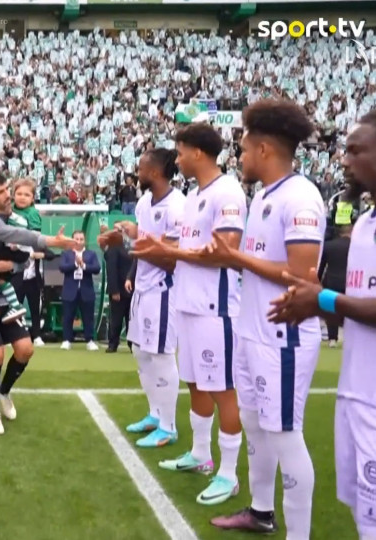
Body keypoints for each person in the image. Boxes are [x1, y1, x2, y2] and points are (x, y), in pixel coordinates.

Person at [268, 103, 376, 540]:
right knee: (367, 524)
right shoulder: (369, 221)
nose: (345, 162)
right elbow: (363, 304)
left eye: (355, 151)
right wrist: (319, 305)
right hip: (357, 398)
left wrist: (328, 299)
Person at [196, 100, 324, 537]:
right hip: (253, 331)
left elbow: (302, 275)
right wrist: (232, 259)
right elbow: (258, 262)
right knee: (255, 424)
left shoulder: (301, 196)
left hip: (282, 337)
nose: (241, 157)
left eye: (245, 149)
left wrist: (237, 258)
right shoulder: (265, 196)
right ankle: (261, 511)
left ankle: (299, 533)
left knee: (285, 433)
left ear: (265, 149)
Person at [131, 123, 246, 506]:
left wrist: (169, 253)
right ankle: (200, 453)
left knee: (222, 390)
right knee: (196, 383)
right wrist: (147, 241)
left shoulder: (227, 191)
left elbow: (225, 251)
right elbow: (185, 244)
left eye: (180, 152)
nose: (176, 159)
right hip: (188, 303)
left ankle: (228, 475)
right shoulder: (198, 195)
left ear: (197, 152)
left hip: (216, 308)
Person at [0, 170, 77, 434]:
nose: (7, 195)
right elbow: (17, 237)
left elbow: (25, 257)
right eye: (1, 192)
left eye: (7, 189)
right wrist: (51, 241)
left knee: (26, 349)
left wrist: (13, 263)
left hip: (6, 296)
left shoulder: (17, 217)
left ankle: (4, 392)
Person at [101, 148, 185, 448]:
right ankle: (154, 413)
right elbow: (144, 236)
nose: (138, 173)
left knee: (162, 355)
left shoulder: (178, 206)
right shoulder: (145, 202)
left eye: (142, 168)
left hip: (164, 290)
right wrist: (127, 232)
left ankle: (168, 426)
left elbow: (173, 257)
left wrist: (133, 244)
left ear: (156, 172)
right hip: (143, 288)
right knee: (140, 351)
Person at [9, 179, 49, 346]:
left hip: (31, 271)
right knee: (11, 305)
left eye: (27, 194)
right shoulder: (8, 212)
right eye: (19, 194)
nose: (22, 197)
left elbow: (35, 239)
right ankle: (11, 335)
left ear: (33, 198)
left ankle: (37, 335)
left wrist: (21, 245)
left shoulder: (33, 214)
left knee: (34, 306)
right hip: (13, 268)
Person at [58, 231, 101, 350]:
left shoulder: (91, 254)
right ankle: (66, 340)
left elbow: (97, 268)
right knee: (67, 317)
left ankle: (90, 340)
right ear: (72, 240)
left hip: (86, 290)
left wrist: (84, 265)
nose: (79, 241)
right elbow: (62, 267)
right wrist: (75, 264)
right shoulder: (66, 254)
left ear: (85, 241)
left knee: (88, 317)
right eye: (76, 239)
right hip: (69, 290)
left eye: (81, 239)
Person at [102, 221, 133, 354]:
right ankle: (113, 343)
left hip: (133, 289)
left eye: (120, 229)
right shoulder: (114, 246)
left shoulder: (132, 245)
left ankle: (133, 345)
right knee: (116, 318)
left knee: (132, 319)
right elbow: (111, 269)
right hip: (119, 290)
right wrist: (114, 290)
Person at [318, 225, 351, 347]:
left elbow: (321, 266)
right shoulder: (355, 246)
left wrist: (318, 280)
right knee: (351, 311)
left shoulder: (329, 246)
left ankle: (332, 338)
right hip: (350, 283)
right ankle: (351, 338)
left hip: (332, 282)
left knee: (331, 310)